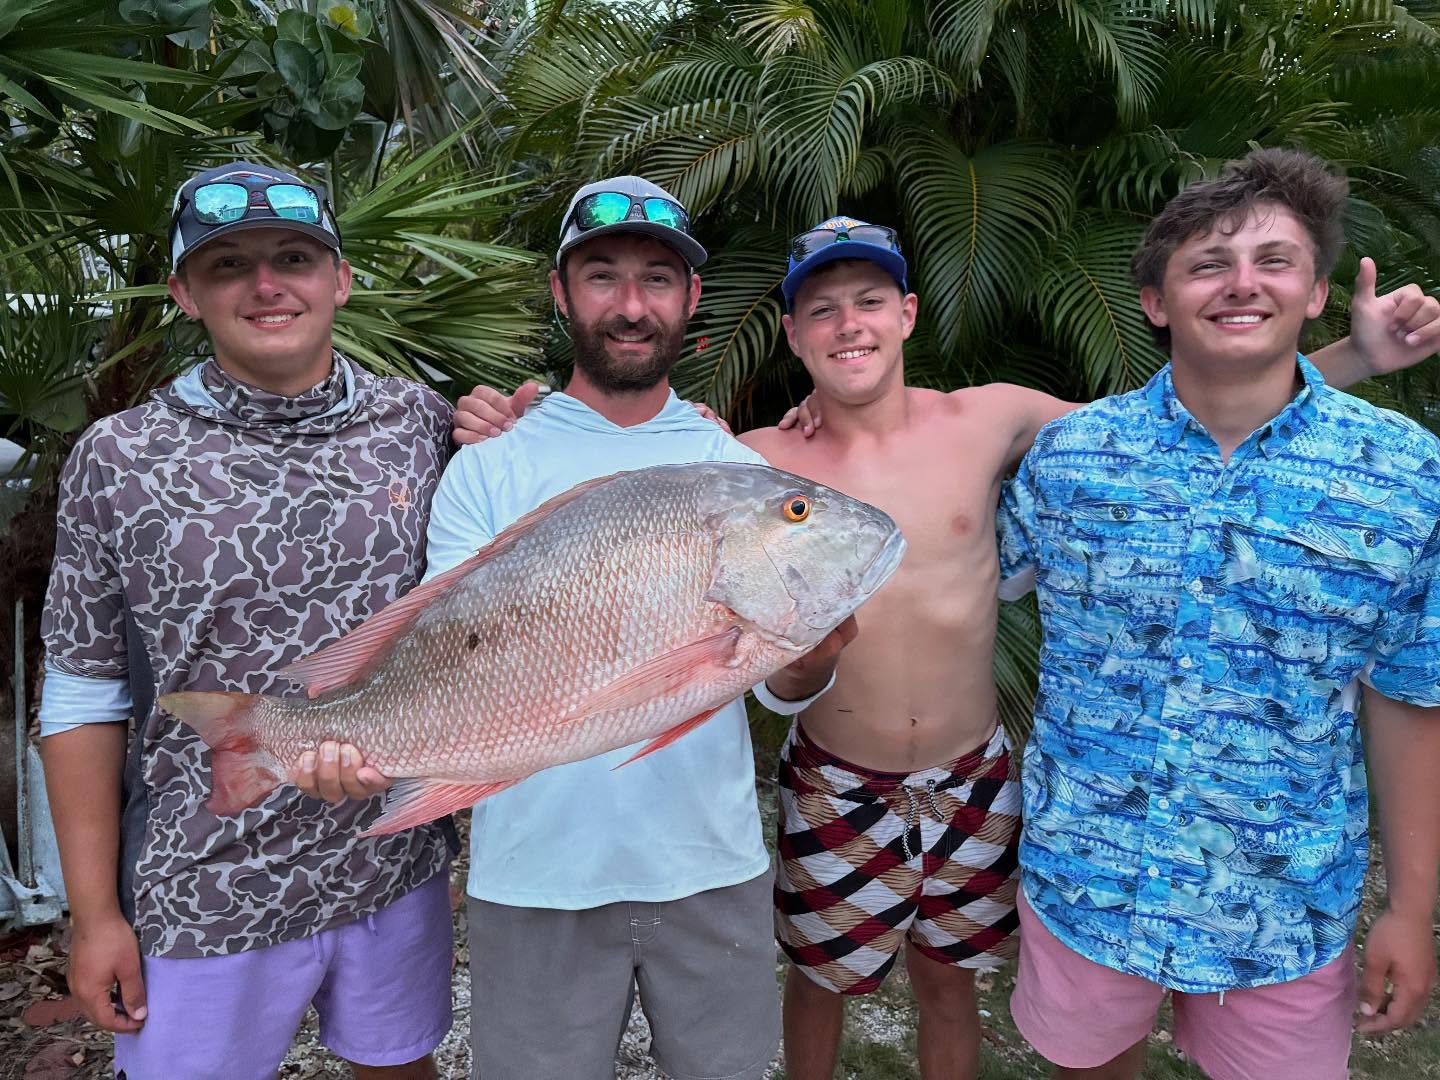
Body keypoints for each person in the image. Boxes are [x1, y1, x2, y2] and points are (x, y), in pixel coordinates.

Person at [455, 207, 1439, 1079]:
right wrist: (538, 416)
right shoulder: (756, 460)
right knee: (820, 981)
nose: (849, 325)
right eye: (822, 310)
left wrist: (1349, 360)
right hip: (834, 778)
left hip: (975, 777)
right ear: (793, 333)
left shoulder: (991, 418)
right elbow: (638, 467)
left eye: (869, 302)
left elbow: (1168, 428)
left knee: (947, 981)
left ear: (909, 314)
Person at [299, 174, 853, 1080]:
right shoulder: (489, 464)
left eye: (657, 279)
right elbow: (440, 646)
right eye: (602, 276)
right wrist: (357, 730)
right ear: (560, 292)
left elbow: (777, 688)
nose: (631, 305)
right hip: (535, 875)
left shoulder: (731, 465)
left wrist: (809, 659)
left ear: (691, 297)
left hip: (709, 865)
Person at [38, 160, 498, 1079]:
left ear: (340, 279)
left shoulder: (418, 423)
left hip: (388, 862)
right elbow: (82, 691)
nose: (266, 284)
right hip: (202, 880)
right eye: (228, 265)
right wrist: (95, 917)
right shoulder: (119, 458)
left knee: (400, 1067)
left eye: (294, 257)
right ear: (184, 294)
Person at [996, 147, 1440, 1080]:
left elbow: (1410, 695)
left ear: (1316, 291)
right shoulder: (1071, 460)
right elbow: (949, 572)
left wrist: (1409, 907)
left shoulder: (1405, 478)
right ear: (1156, 301)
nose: (1242, 283)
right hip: (1089, 880)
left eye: (1274, 260)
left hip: (1283, 907)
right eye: (1208, 263)